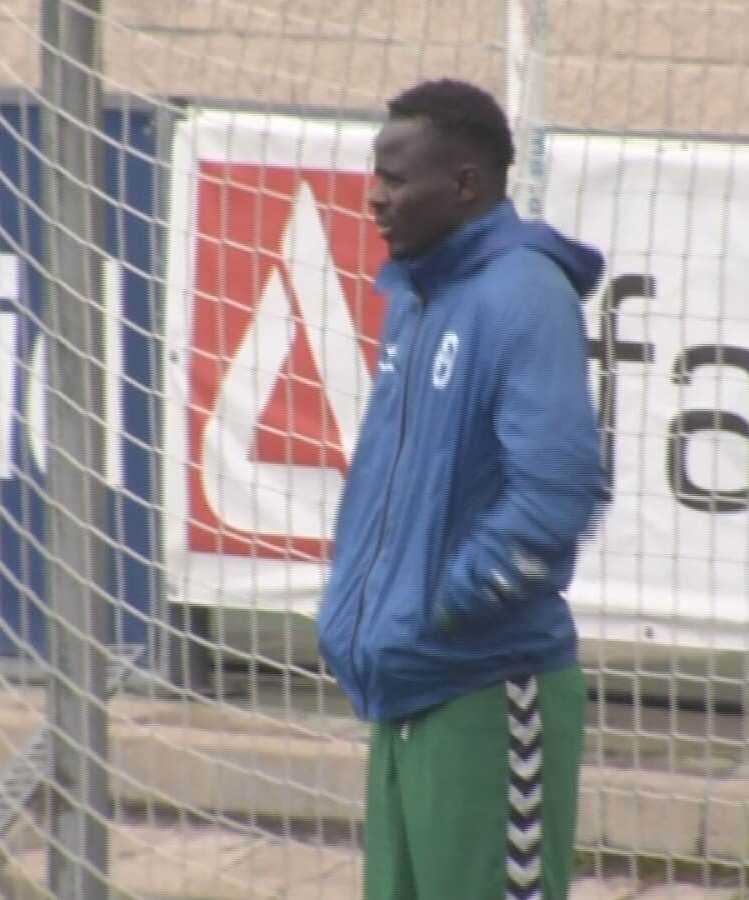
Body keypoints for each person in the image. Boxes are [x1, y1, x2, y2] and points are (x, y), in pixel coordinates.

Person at [315, 78, 609, 900]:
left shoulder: (525, 296)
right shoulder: (412, 299)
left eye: (396, 177)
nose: (375, 196)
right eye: (376, 174)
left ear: (466, 185)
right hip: (406, 690)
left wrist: (444, 606)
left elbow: (559, 490)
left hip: (486, 690)